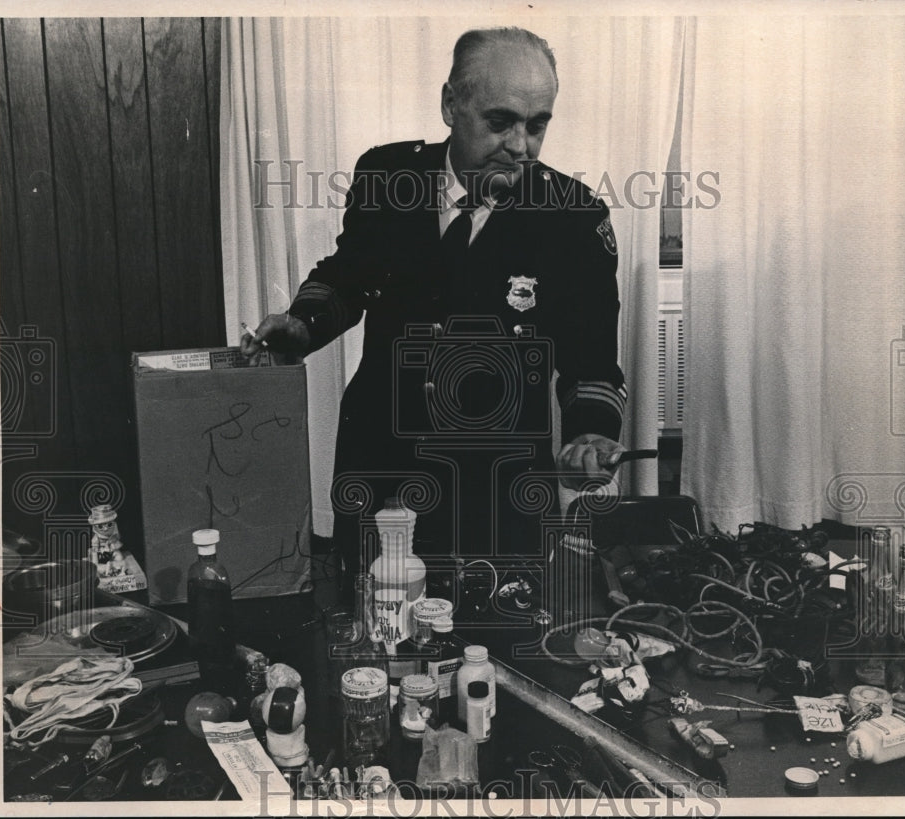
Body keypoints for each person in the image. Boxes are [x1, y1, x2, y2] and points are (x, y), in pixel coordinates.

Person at [243, 27, 627, 585]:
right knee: (376, 637)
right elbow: (350, 276)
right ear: (451, 104)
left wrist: (589, 433)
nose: (521, 145)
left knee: (491, 649)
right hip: (380, 463)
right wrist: (302, 325)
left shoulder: (574, 217)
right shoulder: (387, 175)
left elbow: (591, 363)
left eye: (537, 125)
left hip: (498, 483)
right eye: (500, 122)